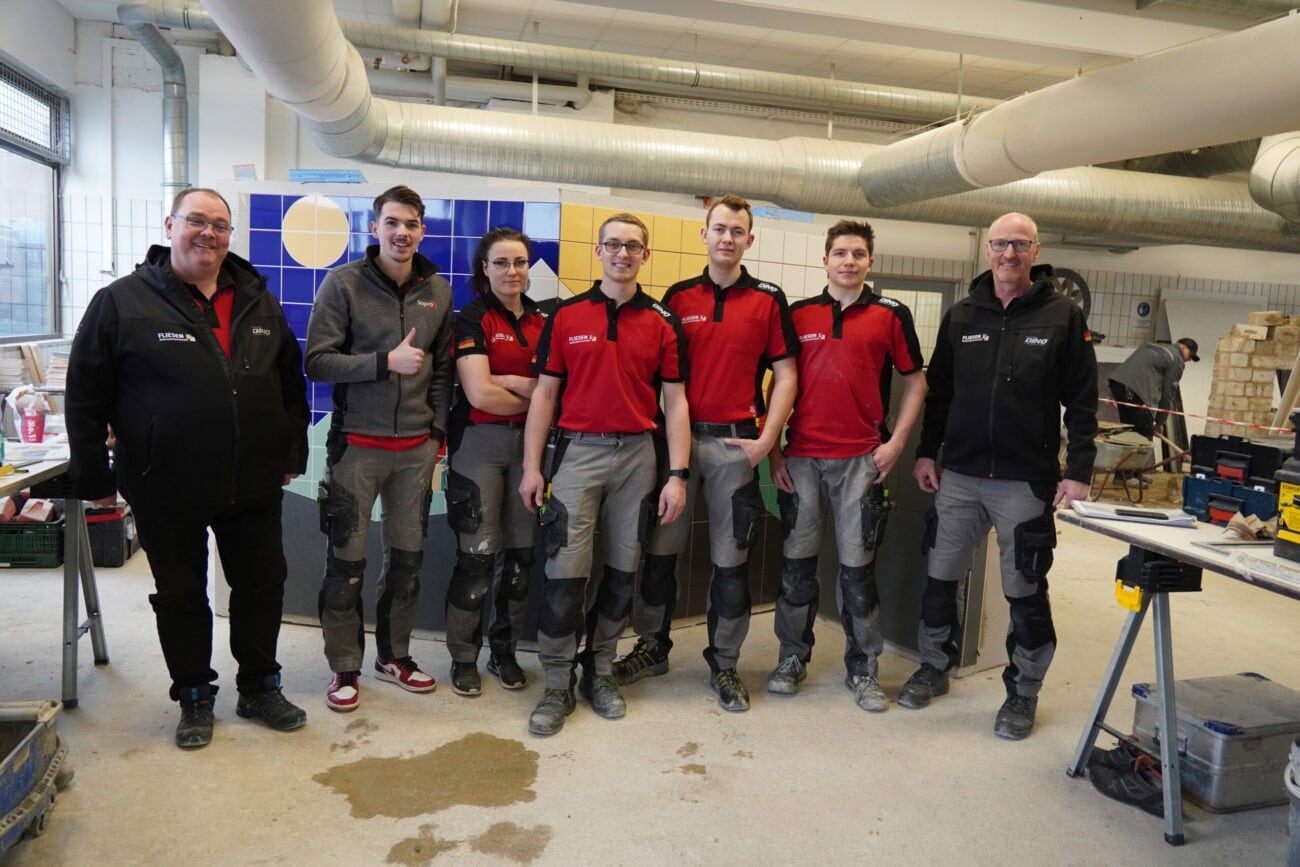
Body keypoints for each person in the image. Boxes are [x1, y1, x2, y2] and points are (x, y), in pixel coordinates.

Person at [67, 187, 309, 749]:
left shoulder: (257, 299)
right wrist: (95, 480)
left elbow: (290, 385)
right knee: (180, 593)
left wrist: (289, 452)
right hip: (163, 483)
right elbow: (84, 395)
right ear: (169, 224)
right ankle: (195, 697)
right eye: (197, 221)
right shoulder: (123, 302)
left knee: (262, 584)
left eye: (220, 225)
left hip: (252, 482)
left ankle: (259, 687)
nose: (209, 233)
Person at [904, 212, 1098, 740]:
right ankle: (933, 666)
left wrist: (1078, 471)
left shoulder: (1062, 316)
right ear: (986, 250)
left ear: (1035, 251)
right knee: (940, 578)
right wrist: (927, 454)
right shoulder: (963, 314)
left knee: (1025, 591)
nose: (1008, 254)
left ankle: (1022, 693)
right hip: (960, 475)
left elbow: (1082, 401)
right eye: (999, 244)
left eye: (1019, 244)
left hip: (1024, 481)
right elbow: (939, 392)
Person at [611, 194, 798, 712]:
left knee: (731, 562)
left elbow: (787, 374)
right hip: (678, 446)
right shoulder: (677, 297)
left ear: (748, 240)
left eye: (737, 231)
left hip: (737, 445)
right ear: (704, 234)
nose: (727, 238)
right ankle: (652, 648)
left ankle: (726, 663)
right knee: (660, 554)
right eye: (719, 229)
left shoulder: (768, 298)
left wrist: (768, 439)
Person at [519, 213, 690, 736]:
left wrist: (677, 474)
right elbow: (545, 394)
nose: (623, 253)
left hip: (638, 457)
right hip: (576, 455)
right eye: (613, 244)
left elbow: (676, 402)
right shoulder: (566, 315)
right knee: (564, 574)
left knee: (620, 572)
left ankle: (600, 673)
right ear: (598, 251)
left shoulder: (662, 320)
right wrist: (532, 468)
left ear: (646, 255)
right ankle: (555, 682)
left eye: (633, 246)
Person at [765, 220, 927, 712]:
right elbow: (777, 383)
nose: (849, 261)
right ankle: (793, 657)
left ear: (870, 262)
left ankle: (864, 668)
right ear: (826, 260)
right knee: (797, 568)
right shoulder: (797, 314)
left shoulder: (891, 315)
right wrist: (773, 449)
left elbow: (916, 383)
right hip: (802, 458)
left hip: (860, 460)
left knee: (857, 573)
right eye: (840, 253)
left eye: (858, 253)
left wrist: (896, 443)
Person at [306, 185, 454, 712]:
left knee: (407, 562)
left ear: (421, 230)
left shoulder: (438, 289)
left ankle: (394, 657)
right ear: (374, 229)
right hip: (357, 450)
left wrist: (436, 433)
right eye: (392, 222)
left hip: (415, 452)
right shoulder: (342, 283)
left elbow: (441, 371)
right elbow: (317, 362)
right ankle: (344, 666)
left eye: (412, 223)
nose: (402, 232)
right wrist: (381, 363)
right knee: (345, 563)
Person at [443, 227, 545, 696]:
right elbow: (479, 393)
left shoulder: (547, 319)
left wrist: (512, 380)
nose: (512, 271)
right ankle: (463, 657)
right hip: (477, 447)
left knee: (521, 562)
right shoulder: (471, 318)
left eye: (519, 262)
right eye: (501, 262)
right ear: (484, 268)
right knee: (476, 560)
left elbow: (557, 389)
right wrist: (536, 395)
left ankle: (502, 652)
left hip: (529, 451)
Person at [1107, 338, 1198, 475]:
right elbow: (1169, 393)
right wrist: (1160, 422)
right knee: (1143, 434)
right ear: (1183, 347)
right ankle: (1127, 476)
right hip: (1136, 391)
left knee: (1129, 431)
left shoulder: (1151, 346)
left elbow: (1128, 369)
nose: (1189, 360)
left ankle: (1133, 474)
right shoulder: (1176, 359)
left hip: (1118, 384)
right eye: (1190, 356)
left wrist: (1111, 394)